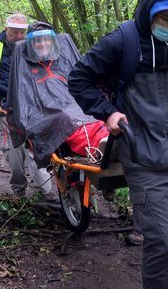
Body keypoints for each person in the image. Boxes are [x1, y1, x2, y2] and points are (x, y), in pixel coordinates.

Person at [68, 0, 168, 289]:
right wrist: (108, 113)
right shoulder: (122, 41)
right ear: (150, 11)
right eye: (166, 19)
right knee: (161, 243)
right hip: (144, 157)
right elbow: (78, 79)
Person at [6, 22, 111, 192]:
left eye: (46, 40)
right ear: (31, 44)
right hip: (46, 111)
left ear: (53, 42)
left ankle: (108, 142)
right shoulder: (25, 66)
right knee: (66, 117)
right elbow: (24, 98)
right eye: (38, 41)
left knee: (93, 112)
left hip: (72, 104)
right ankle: (98, 146)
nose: (43, 44)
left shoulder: (64, 61)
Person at [0, 13, 52, 197]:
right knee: (14, 152)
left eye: (21, 32)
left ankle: (42, 192)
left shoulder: (32, 48)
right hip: (4, 108)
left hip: (32, 108)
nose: (18, 36)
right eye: (14, 32)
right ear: (6, 29)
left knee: (36, 149)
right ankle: (18, 190)